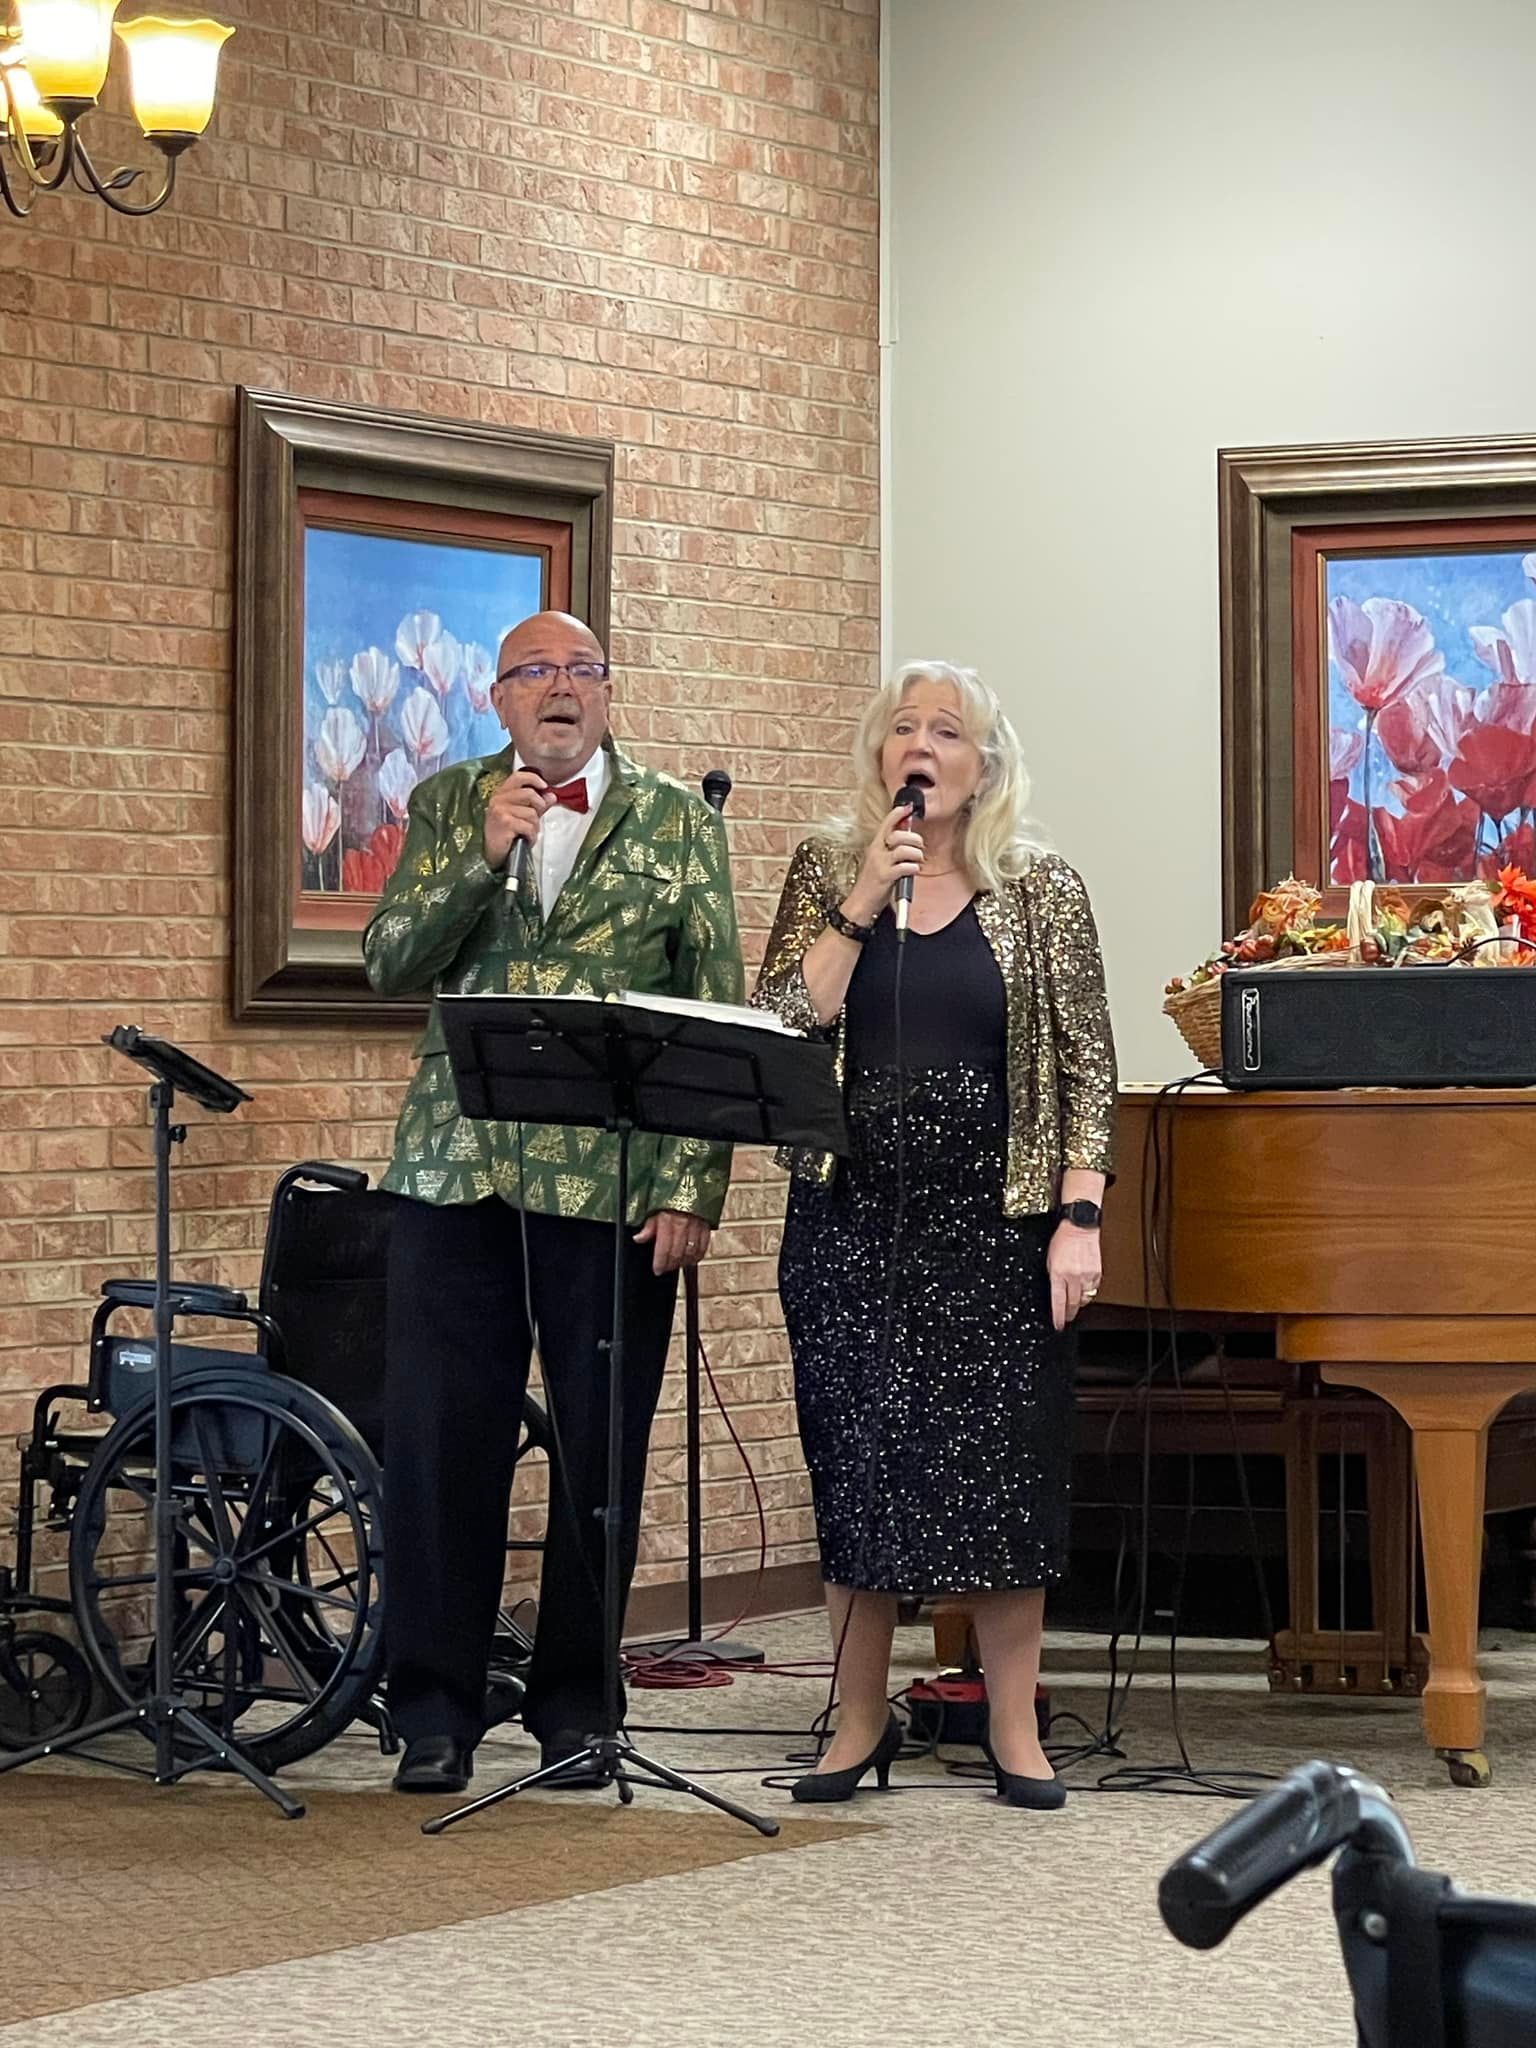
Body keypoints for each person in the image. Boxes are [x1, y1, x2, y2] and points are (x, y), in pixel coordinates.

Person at [364, 610, 743, 1794]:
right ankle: (432, 1704)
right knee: (437, 1444)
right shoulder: (445, 801)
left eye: (582, 670)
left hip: (612, 1181)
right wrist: (480, 851)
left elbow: (716, 1001)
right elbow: (388, 958)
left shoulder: (680, 818)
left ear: (611, 693)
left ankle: (579, 1704)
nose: (561, 689)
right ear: (498, 698)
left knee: (600, 1452)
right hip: (455, 1170)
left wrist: (693, 1183)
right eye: (537, 672)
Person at [753, 660, 1116, 1809]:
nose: (922, 746)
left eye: (945, 730)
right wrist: (861, 899)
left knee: (1005, 1470)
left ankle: (1016, 1722)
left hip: (1001, 1227)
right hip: (851, 1215)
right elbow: (778, 1024)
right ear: (880, 758)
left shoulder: (1042, 886)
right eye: (902, 729)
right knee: (855, 1464)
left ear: (984, 761)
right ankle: (858, 1720)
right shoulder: (827, 868)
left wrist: (1081, 1216)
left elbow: (1089, 1070)